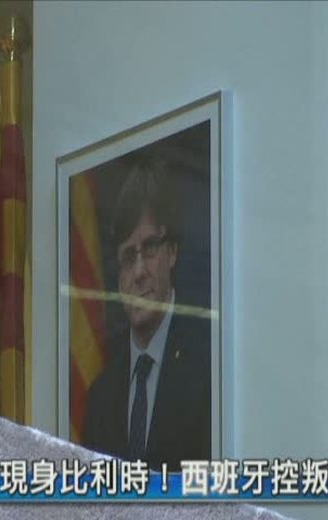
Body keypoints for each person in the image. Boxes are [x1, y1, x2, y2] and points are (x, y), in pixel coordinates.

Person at [83, 156, 210, 471]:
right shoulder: (100, 397)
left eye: (150, 248)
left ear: (172, 252)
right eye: (128, 257)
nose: (139, 272)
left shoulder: (212, 365)